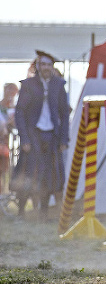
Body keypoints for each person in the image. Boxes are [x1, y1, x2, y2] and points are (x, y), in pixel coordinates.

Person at [10, 51, 70, 219]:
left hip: (51, 135)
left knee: (49, 173)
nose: (45, 68)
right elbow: (20, 112)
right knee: (28, 172)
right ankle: (21, 212)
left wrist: (64, 139)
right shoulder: (29, 85)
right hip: (33, 134)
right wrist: (25, 138)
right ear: (38, 66)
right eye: (43, 64)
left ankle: (43, 212)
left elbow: (64, 114)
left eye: (48, 65)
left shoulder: (58, 85)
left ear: (52, 67)